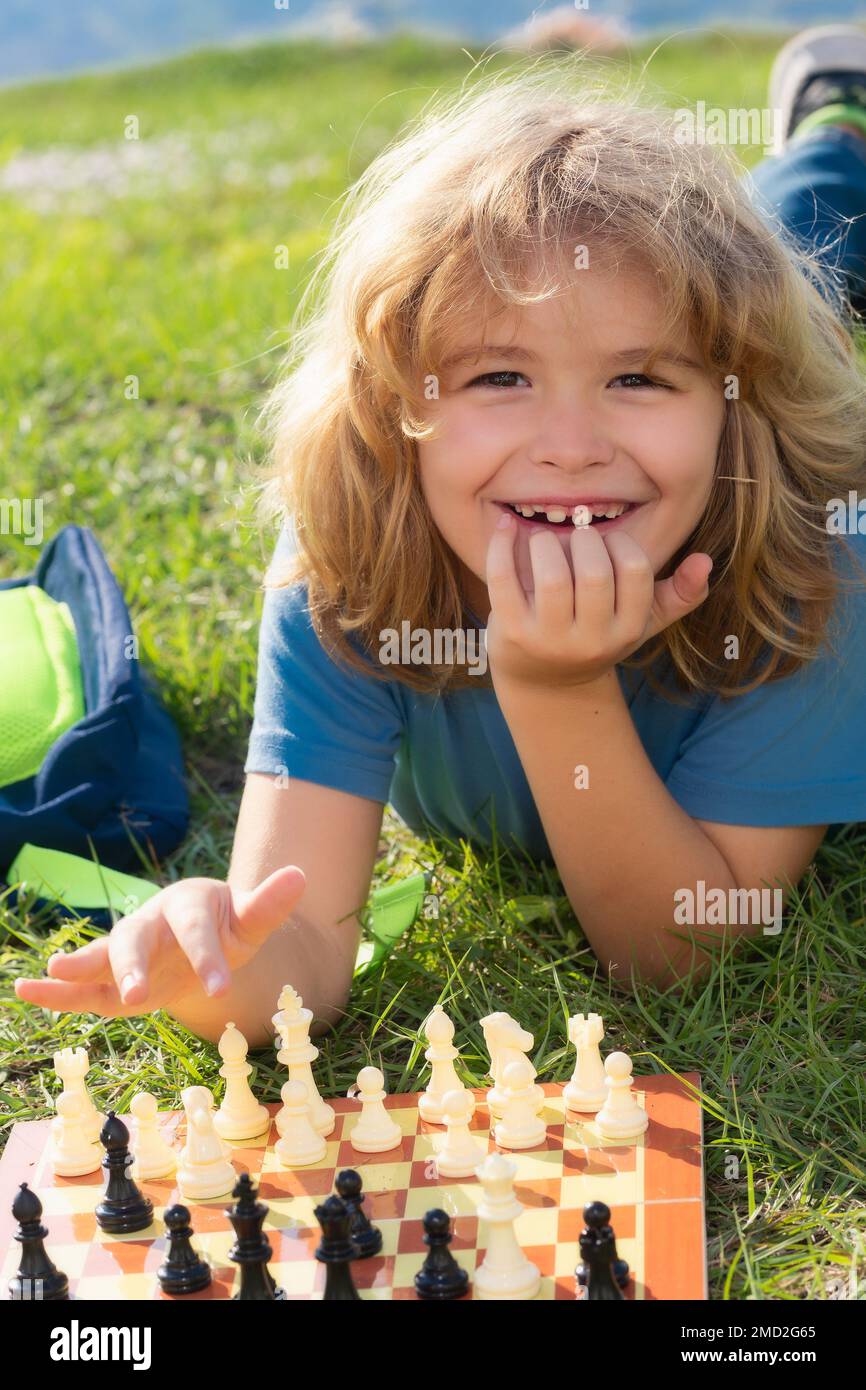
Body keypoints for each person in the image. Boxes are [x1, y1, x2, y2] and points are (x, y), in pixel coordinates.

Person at [16, 26, 866, 1046]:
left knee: (809, 266)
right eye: (497, 378)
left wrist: (560, 690)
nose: (568, 448)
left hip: (794, 366)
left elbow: (678, 953)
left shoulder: (810, 571)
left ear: (734, 413)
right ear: (389, 411)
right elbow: (303, 958)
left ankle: (831, 122)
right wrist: (212, 960)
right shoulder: (345, 575)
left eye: (637, 378)